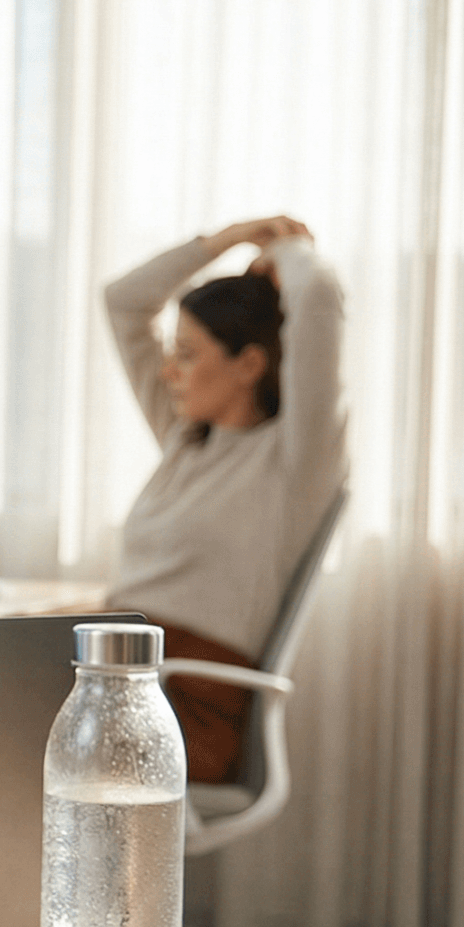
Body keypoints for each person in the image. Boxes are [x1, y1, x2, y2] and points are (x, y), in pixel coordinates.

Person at [103, 216, 346, 783]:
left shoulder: (294, 463)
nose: (170, 371)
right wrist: (230, 239)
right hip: (118, 681)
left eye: (187, 354)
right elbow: (122, 302)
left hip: (182, 708)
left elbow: (319, 297)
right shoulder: (185, 439)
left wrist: (286, 249)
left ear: (249, 365)